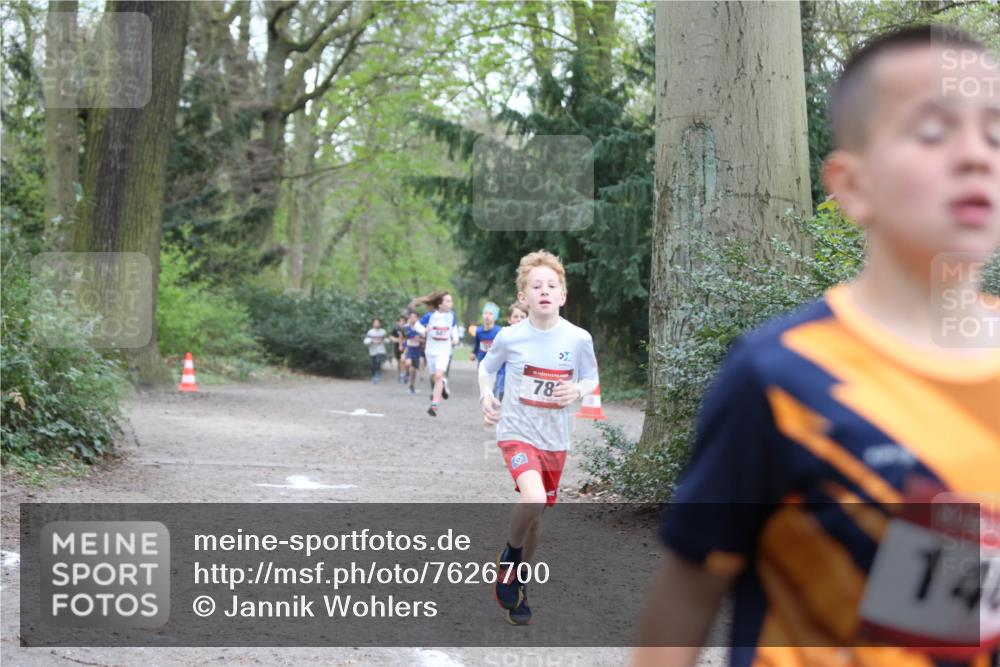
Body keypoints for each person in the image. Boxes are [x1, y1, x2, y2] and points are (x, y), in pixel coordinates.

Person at [634, 25, 1000, 667]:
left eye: (995, 133)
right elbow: (687, 599)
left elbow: (952, 612)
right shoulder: (779, 376)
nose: (977, 156)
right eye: (935, 131)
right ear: (851, 186)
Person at [478, 250, 599, 625]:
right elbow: (486, 367)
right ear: (523, 297)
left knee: (536, 517)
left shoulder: (578, 338)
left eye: (552, 285)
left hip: (555, 440)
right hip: (517, 433)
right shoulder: (511, 336)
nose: (544, 291)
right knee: (531, 497)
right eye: (536, 286)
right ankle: (510, 558)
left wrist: (577, 391)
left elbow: (591, 377)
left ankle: (522, 580)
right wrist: (486, 394)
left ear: (563, 295)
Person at [413, 290, 461, 417]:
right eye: (448, 301)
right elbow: (417, 326)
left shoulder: (452, 315)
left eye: (451, 300)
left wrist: (455, 338)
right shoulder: (431, 316)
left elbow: (454, 327)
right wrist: (424, 330)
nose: (451, 303)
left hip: (444, 351)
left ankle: (434, 405)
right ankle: (444, 384)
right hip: (430, 351)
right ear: (440, 304)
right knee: (435, 377)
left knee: (438, 376)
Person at [494, 303, 527, 402]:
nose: (519, 319)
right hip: (506, 384)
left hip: (526, 385)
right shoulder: (504, 337)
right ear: (509, 320)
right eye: (515, 316)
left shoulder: (533, 338)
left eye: (523, 317)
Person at [402, 311, 423, 394]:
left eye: (414, 317)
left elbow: (425, 339)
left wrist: (420, 340)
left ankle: (412, 385)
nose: (412, 319)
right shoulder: (406, 327)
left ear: (418, 318)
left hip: (417, 350)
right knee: (407, 362)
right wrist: (402, 345)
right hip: (409, 348)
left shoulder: (421, 328)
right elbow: (402, 336)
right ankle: (406, 373)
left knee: (414, 370)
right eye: (411, 317)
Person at [362, 318, 388, 384]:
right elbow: (365, 341)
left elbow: (387, 340)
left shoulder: (383, 332)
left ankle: (377, 375)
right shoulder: (370, 332)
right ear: (373, 324)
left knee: (378, 360)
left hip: (380, 349)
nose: (376, 324)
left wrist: (383, 339)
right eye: (375, 322)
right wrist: (371, 340)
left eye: (378, 322)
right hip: (372, 350)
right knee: (374, 364)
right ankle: (374, 376)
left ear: (380, 324)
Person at [391, 314, 407, 383]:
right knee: (398, 361)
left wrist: (404, 341)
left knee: (403, 360)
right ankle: (400, 374)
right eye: (400, 321)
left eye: (403, 321)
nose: (402, 322)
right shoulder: (395, 329)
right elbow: (391, 336)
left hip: (406, 347)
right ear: (398, 322)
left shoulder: (407, 329)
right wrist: (395, 339)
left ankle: (404, 374)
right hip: (397, 346)